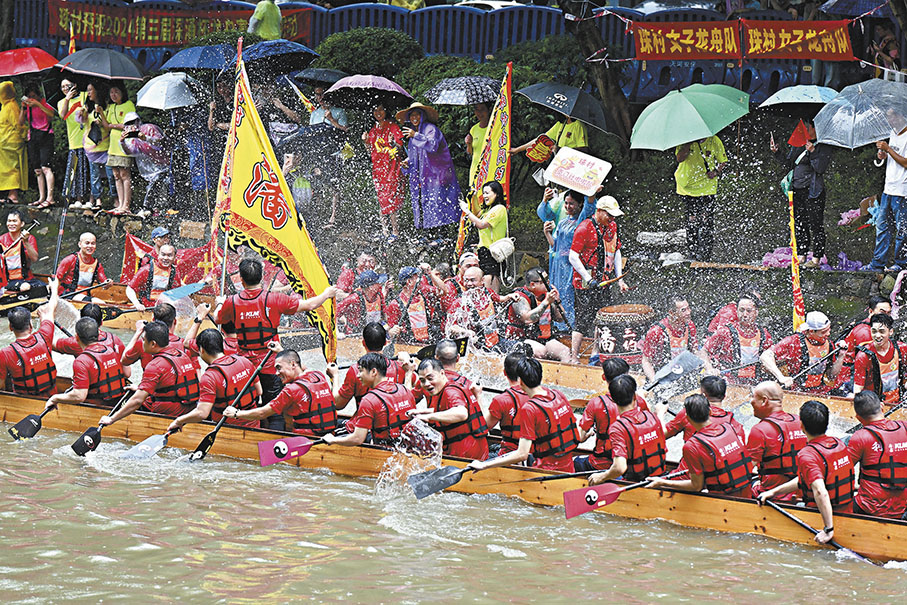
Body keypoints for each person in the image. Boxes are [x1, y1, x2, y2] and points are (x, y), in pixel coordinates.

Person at [215, 258, 338, 429]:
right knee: (274, 410)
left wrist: (220, 304)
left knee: (247, 403)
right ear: (263, 277)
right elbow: (310, 305)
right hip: (271, 365)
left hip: (244, 369)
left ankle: (245, 436)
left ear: (241, 280)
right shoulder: (275, 299)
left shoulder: (231, 302)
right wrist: (327, 293)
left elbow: (217, 319)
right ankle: (275, 442)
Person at [757, 400, 854, 544]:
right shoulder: (838, 443)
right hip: (847, 511)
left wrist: (828, 529)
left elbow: (820, 491)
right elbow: (804, 479)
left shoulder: (807, 454)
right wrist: (773, 492)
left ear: (801, 425)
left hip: (821, 517)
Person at [466, 356, 578, 473]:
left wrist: (484, 465)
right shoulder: (558, 394)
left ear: (520, 381)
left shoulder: (529, 409)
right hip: (568, 467)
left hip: (543, 473)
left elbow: (522, 454)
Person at [647, 394, 753, 498]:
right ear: (710, 412)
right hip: (745, 492)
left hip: (722, 500)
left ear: (687, 418)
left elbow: (696, 486)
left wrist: (662, 483)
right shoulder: (729, 427)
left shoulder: (692, 446)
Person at [100, 321, 200, 423]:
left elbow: (137, 401)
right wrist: (140, 389)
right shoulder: (182, 354)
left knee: (127, 401)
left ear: (153, 344)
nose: (142, 343)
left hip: (168, 413)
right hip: (188, 409)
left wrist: (111, 419)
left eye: (144, 340)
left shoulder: (155, 366)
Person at [226, 343, 337, 435]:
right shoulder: (318, 375)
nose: (277, 373)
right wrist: (280, 350)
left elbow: (262, 413)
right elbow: (299, 365)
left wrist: (237, 413)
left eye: (279, 368)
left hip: (306, 437)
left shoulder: (290, 390)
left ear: (293, 364)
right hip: (329, 434)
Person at [568, 196, 628, 363]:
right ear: (599, 211)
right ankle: (574, 357)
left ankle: (595, 352)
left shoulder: (612, 226)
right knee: (582, 319)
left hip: (604, 280)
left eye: (613, 216)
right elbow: (573, 257)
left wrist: (619, 278)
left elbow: (616, 251)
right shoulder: (584, 228)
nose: (612, 218)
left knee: (602, 317)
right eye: (609, 214)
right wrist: (588, 278)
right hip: (584, 281)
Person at [169, 329, 262, 432]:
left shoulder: (209, 376)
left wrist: (178, 421)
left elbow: (202, 413)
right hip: (254, 425)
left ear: (202, 350)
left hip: (228, 430)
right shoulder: (244, 361)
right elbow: (259, 391)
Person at [771, 120, 832, 268]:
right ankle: (802, 253)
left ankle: (817, 257)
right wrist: (777, 152)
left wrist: (812, 152)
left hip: (814, 191)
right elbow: (789, 163)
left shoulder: (824, 146)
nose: (807, 129)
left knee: (816, 224)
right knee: (800, 223)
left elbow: (820, 168)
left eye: (809, 127)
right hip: (797, 190)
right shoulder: (800, 143)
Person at [323, 352, 416, 448]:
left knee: (332, 437)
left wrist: (332, 440)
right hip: (403, 446)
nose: (358, 375)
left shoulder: (369, 400)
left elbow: (357, 439)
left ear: (374, 372)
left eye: (361, 371)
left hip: (380, 450)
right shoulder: (405, 390)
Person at [574, 358, 650, 473]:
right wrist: (643, 399)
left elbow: (579, 438)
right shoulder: (639, 401)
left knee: (574, 461)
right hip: (632, 464)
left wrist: (589, 433)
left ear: (604, 377)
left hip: (601, 464)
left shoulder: (596, 403)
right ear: (628, 377)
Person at [588, 374, 667, 485]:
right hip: (659, 478)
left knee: (579, 464)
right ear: (635, 397)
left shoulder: (617, 428)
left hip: (635, 484)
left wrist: (601, 477)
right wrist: (660, 414)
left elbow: (619, 468)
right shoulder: (652, 416)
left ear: (613, 400)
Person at [398, 102, 460, 234]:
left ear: (423, 115)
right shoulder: (415, 132)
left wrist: (416, 136)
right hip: (424, 176)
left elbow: (432, 146)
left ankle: (443, 235)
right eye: (412, 115)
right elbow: (416, 154)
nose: (414, 118)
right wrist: (407, 162)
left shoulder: (430, 129)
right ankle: (430, 234)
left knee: (439, 202)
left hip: (437, 174)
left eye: (417, 115)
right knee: (425, 202)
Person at [538, 188, 595, 328]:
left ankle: (571, 326)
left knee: (570, 294)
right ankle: (558, 325)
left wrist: (591, 191)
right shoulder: (563, 222)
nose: (568, 207)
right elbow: (555, 245)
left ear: (579, 204)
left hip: (571, 265)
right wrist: (547, 233)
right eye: (566, 203)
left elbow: (590, 206)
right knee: (557, 293)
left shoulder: (582, 220)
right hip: (557, 266)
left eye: (572, 204)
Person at [412, 358, 489, 460]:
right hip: (476, 453)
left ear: (442, 373)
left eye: (430, 378)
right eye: (422, 380)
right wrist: (419, 412)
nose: (426, 384)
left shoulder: (450, 392)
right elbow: (444, 410)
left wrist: (429, 416)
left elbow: (461, 413)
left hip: (467, 458)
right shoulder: (447, 388)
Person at [846, 391, 907, 519]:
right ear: (882, 406)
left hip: (869, 508)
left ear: (858, 417)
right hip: (903, 507)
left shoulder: (860, 437)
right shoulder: (905, 427)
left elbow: (840, 470)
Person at [44, 317, 126, 410]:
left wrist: (55, 398)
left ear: (77, 337)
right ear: (98, 334)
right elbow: (126, 373)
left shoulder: (81, 361)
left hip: (95, 408)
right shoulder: (112, 350)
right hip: (117, 405)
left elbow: (79, 396)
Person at [746, 381, 807, 502]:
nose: (750, 401)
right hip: (801, 492)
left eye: (753, 397)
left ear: (764, 401)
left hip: (771, 496)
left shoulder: (759, 430)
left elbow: (744, 470)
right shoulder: (800, 421)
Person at [327, 322, 406, 412]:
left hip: (367, 423)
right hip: (392, 421)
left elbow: (338, 404)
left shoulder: (356, 370)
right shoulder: (400, 367)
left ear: (363, 343)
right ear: (385, 342)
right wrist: (408, 368)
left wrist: (335, 376)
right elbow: (415, 394)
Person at [760, 311, 845, 394]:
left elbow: (831, 376)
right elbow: (765, 356)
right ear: (811, 331)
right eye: (823, 332)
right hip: (797, 391)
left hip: (820, 391)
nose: (828, 334)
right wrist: (781, 377)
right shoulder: (793, 342)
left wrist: (841, 355)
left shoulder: (829, 345)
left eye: (829, 329)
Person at [864, 112, 907, 272]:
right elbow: (893, 159)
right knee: (882, 228)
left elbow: (906, 162)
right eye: (888, 117)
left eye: (893, 116)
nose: (890, 120)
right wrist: (883, 155)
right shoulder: (892, 134)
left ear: (902, 116)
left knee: (902, 230)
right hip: (888, 189)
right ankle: (878, 264)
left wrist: (888, 148)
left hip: (902, 191)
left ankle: (901, 264)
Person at [0, 279, 58, 396]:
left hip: (23, 403)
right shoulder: (45, 336)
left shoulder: (5, 353)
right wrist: (54, 287)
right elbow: (51, 307)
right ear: (31, 325)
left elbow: (1, 386)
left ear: (11, 327)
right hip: (51, 402)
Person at [674, 136, 728, 261]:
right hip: (687, 187)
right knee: (692, 221)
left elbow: (723, 161)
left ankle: (706, 254)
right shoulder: (683, 140)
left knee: (706, 220)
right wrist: (687, 144)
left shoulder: (714, 140)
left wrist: (715, 171)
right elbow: (680, 158)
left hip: (707, 188)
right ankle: (693, 252)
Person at [702, 295, 772, 385]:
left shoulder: (764, 334)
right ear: (737, 311)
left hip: (755, 383)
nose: (745, 314)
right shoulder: (725, 332)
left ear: (756, 312)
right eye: (741, 310)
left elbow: (772, 358)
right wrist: (710, 368)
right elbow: (704, 351)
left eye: (749, 311)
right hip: (729, 383)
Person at [505, 267, 570, 361]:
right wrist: (546, 302)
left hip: (542, 338)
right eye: (544, 281)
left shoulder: (546, 295)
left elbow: (560, 319)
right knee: (541, 352)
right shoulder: (519, 297)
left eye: (548, 279)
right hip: (520, 339)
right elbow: (527, 319)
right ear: (532, 284)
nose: (548, 283)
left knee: (565, 351)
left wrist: (557, 301)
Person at [445, 266, 512, 352]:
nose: (469, 284)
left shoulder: (487, 293)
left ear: (482, 280)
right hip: (471, 348)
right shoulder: (459, 303)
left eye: (473, 280)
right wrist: (465, 332)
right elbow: (451, 327)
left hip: (494, 342)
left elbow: (499, 298)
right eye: (466, 280)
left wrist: (509, 296)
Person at [363, 104, 404, 239]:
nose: (378, 112)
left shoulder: (393, 127)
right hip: (378, 170)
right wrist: (365, 142)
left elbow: (400, 149)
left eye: (381, 109)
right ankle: (385, 231)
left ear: (386, 110)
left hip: (392, 168)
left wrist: (392, 143)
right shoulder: (372, 131)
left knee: (391, 198)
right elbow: (370, 153)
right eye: (375, 110)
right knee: (382, 199)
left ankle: (395, 231)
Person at [459, 180, 508, 293]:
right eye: (483, 193)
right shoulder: (488, 210)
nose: (485, 196)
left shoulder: (499, 208)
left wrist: (466, 211)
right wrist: (475, 197)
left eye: (487, 193)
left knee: (490, 282)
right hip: (484, 251)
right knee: (484, 284)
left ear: (497, 194)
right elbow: (477, 214)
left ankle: (493, 307)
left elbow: (481, 224)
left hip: (492, 253)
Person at [309, 86, 347, 227]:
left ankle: (333, 216)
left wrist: (331, 119)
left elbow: (344, 131)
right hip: (319, 154)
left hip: (334, 153)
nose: (320, 98)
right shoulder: (314, 113)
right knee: (317, 183)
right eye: (317, 95)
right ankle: (316, 215)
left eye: (323, 95)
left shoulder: (339, 112)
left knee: (334, 185)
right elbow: (311, 134)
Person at [664, 375, 743, 443]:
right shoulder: (734, 423)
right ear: (724, 396)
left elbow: (662, 435)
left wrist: (660, 413)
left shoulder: (689, 412)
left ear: (703, 395)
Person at [852, 313, 907, 407]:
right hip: (875, 405)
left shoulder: (902, 348)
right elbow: (858, 390)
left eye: (882, 332)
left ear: (890, 332)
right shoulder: (863, 356)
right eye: (874, 331)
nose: (877, 336)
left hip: (899, 401)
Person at [97, 81, 135, 215]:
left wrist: (113, 125)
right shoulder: (111, 107)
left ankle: (126, 205)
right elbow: (107, 125)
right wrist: (101, 113)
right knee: (116, 175)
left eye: (116, 92)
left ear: (122, 93)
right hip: (112, 146)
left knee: (125, 175)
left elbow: (128, 125)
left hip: (123, 145)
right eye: (111, 92)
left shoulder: (128, 105)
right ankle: (120, 204)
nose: (113, 95)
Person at [641, 295, 698, 383]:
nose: (688, 312)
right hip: (663, 377)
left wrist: (708, 368)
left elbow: (695, 352)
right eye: (683, 310)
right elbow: (646, 361)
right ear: (671, 313)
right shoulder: (656, 331)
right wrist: (655, 381)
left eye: (688, 308)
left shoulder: (690, 326)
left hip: (683, 376)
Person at [121, 303, 193, 371]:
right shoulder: (186, 345)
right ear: (175, 321)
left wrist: (138, 332)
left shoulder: (144, 343)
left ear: (153, 320)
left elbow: (124, 361)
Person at [483, 351, 528, 458]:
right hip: (534, 453)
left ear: (504, 372)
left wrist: (479, 396)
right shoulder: (539, 393)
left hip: (510, 456)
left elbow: (482, 427)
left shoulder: (501, 400)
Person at [19, 82, 56, 209]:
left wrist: (38, 104)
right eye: (29, 96)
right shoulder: (28, 106)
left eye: (33, 96)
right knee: (38, 170)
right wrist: (23, 108)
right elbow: (21, 122)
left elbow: (51, 115)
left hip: (46, 135)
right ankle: (41, 197)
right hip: (33, 136)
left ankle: (50, 198)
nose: (31, 98)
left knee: (46, 167)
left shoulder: (45, 102)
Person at [54, 303, 126, 363]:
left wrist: (47, 317)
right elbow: (127, 373)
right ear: (101, 322)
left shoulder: (75, 342)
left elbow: (48, 341)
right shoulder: (114, 339)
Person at [58, 79, 90, 210]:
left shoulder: (85, 95)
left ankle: (91, 199)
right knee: (75, 171)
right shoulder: (62, 102)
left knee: (89, 171)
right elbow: (62, 115)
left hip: (88, 139)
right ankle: (77, 199)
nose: (65, 88)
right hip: (74, 141)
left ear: (75, 85)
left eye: (68, 85)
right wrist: (67, 99)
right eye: (63, 86)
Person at [80, 80, 112, 212]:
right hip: (91, 147)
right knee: (94, 175)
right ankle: (97, 199)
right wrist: (82, 114)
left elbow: (109, 126)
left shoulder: (108, 107)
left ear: (97, 91)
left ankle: (115, 198)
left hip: (106, 146)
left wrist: (101, 115)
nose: (88, 93)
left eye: (90, 90)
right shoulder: (87, 108)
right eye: (87, 91)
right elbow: (81, 123)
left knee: (111, 174)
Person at [386, 266, 437, 345]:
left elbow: (442, 291)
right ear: (409, 281)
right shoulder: (395, 304)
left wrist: (430, 274)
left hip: (428, 344)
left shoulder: (424, 294)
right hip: (409, 346)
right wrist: (392, 331)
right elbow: (390, 330)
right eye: (417, 277)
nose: (420, 280)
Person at [126, 243, 179, 311]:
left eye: (169, 255)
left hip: (165, 310)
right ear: (158, 255)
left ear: (174, 258)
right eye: (163, 255)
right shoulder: (146, 269)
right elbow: (129, 289)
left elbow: (176, 292)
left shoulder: (174, 272)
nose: (165, 258)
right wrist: (137, 304)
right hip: (146, 309)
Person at [55, 232, 107, 300]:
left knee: (99, 303)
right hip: (68, 294)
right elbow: (57, 279)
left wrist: (108, 283)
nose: (90, 246)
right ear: (80, 244)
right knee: (94, 302)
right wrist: (54, 297)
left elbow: (104, 284)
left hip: (85, 296)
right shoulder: (70, 260)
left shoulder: (97, 264)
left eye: (93, 243)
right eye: (87, 243)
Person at [336, 270, 387, 336]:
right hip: (355, 336)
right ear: (371, 287)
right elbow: (333, 313)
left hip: (375, 335)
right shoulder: (354, 298)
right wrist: (337, 333)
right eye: (377, 283)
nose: (380, 284)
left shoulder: (379, 295)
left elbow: (385, 315)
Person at [1, 209, 42, 292]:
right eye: (9, 221)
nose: (11, 224)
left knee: (48, 288)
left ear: (22, 224)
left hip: (27, 278)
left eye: (14, 221)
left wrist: (26, 242)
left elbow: (34, 259)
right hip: (8, 281)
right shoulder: (1, 240)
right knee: (25, 287)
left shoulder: (30, 238)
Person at [0, 81, 27, 204]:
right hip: (5, 144)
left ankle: (13, 195)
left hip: (12, 143)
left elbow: (18, 124)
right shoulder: (5, 106)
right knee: (6, 170)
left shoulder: (11, 106)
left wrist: (24, 135)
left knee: (13, 169)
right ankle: (8, 194)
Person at [512, 115, 589, 156]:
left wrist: (560, 150)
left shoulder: (578, 125)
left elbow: (584, 150)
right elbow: (540, 140)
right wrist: (517, 150)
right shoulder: (560, 124)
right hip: (559, 164)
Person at [465, 102, 491, 204]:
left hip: (489, 170)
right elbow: (470, 152)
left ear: (489, 110)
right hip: (475, 171)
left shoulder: (493, 128)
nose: (479, 113)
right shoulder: (474, 129)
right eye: (477, 109)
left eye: (482, 109)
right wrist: (469, 144)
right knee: (475, 201)